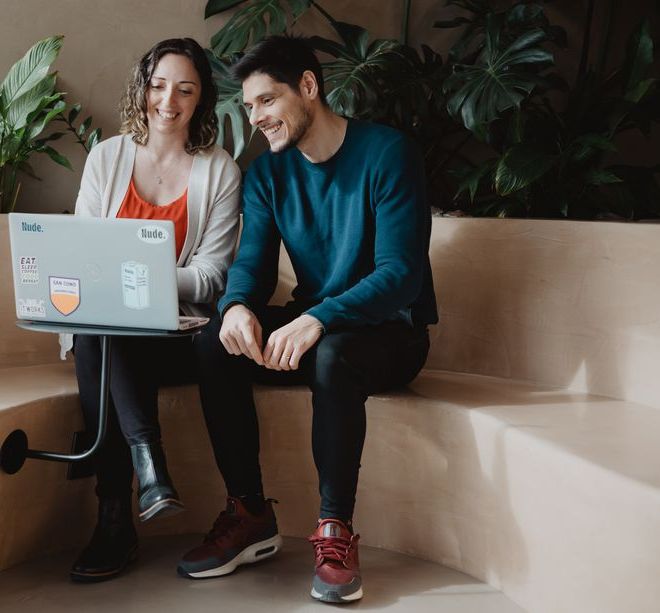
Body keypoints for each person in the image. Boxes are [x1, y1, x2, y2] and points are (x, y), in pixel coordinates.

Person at [176, 35, 438, 604]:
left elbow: (401, 275)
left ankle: (334, 531)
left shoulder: (388, 153)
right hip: (318, 328)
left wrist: (319, 316)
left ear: (309, 87)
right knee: (214, 345)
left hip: (390, 332)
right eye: (249, 107)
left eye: (267, 101)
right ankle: (248, 513)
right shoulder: (268, 174)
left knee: (333, 353)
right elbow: (251, 266)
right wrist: (238, 307)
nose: (257, 119)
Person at [68, 38, 242, 583]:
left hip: (179, 338)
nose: (168, 100)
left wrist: (133, 278)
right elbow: (79, 257)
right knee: (99, 326)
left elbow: (211, 279)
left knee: (106, 320)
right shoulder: (107, 157)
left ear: (201, 100)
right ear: (142, 89)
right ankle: (141, 480)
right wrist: (120, 287)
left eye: (185, 90)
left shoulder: (220, 172)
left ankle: (119, 512)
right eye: (159, 85)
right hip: (111, 333)